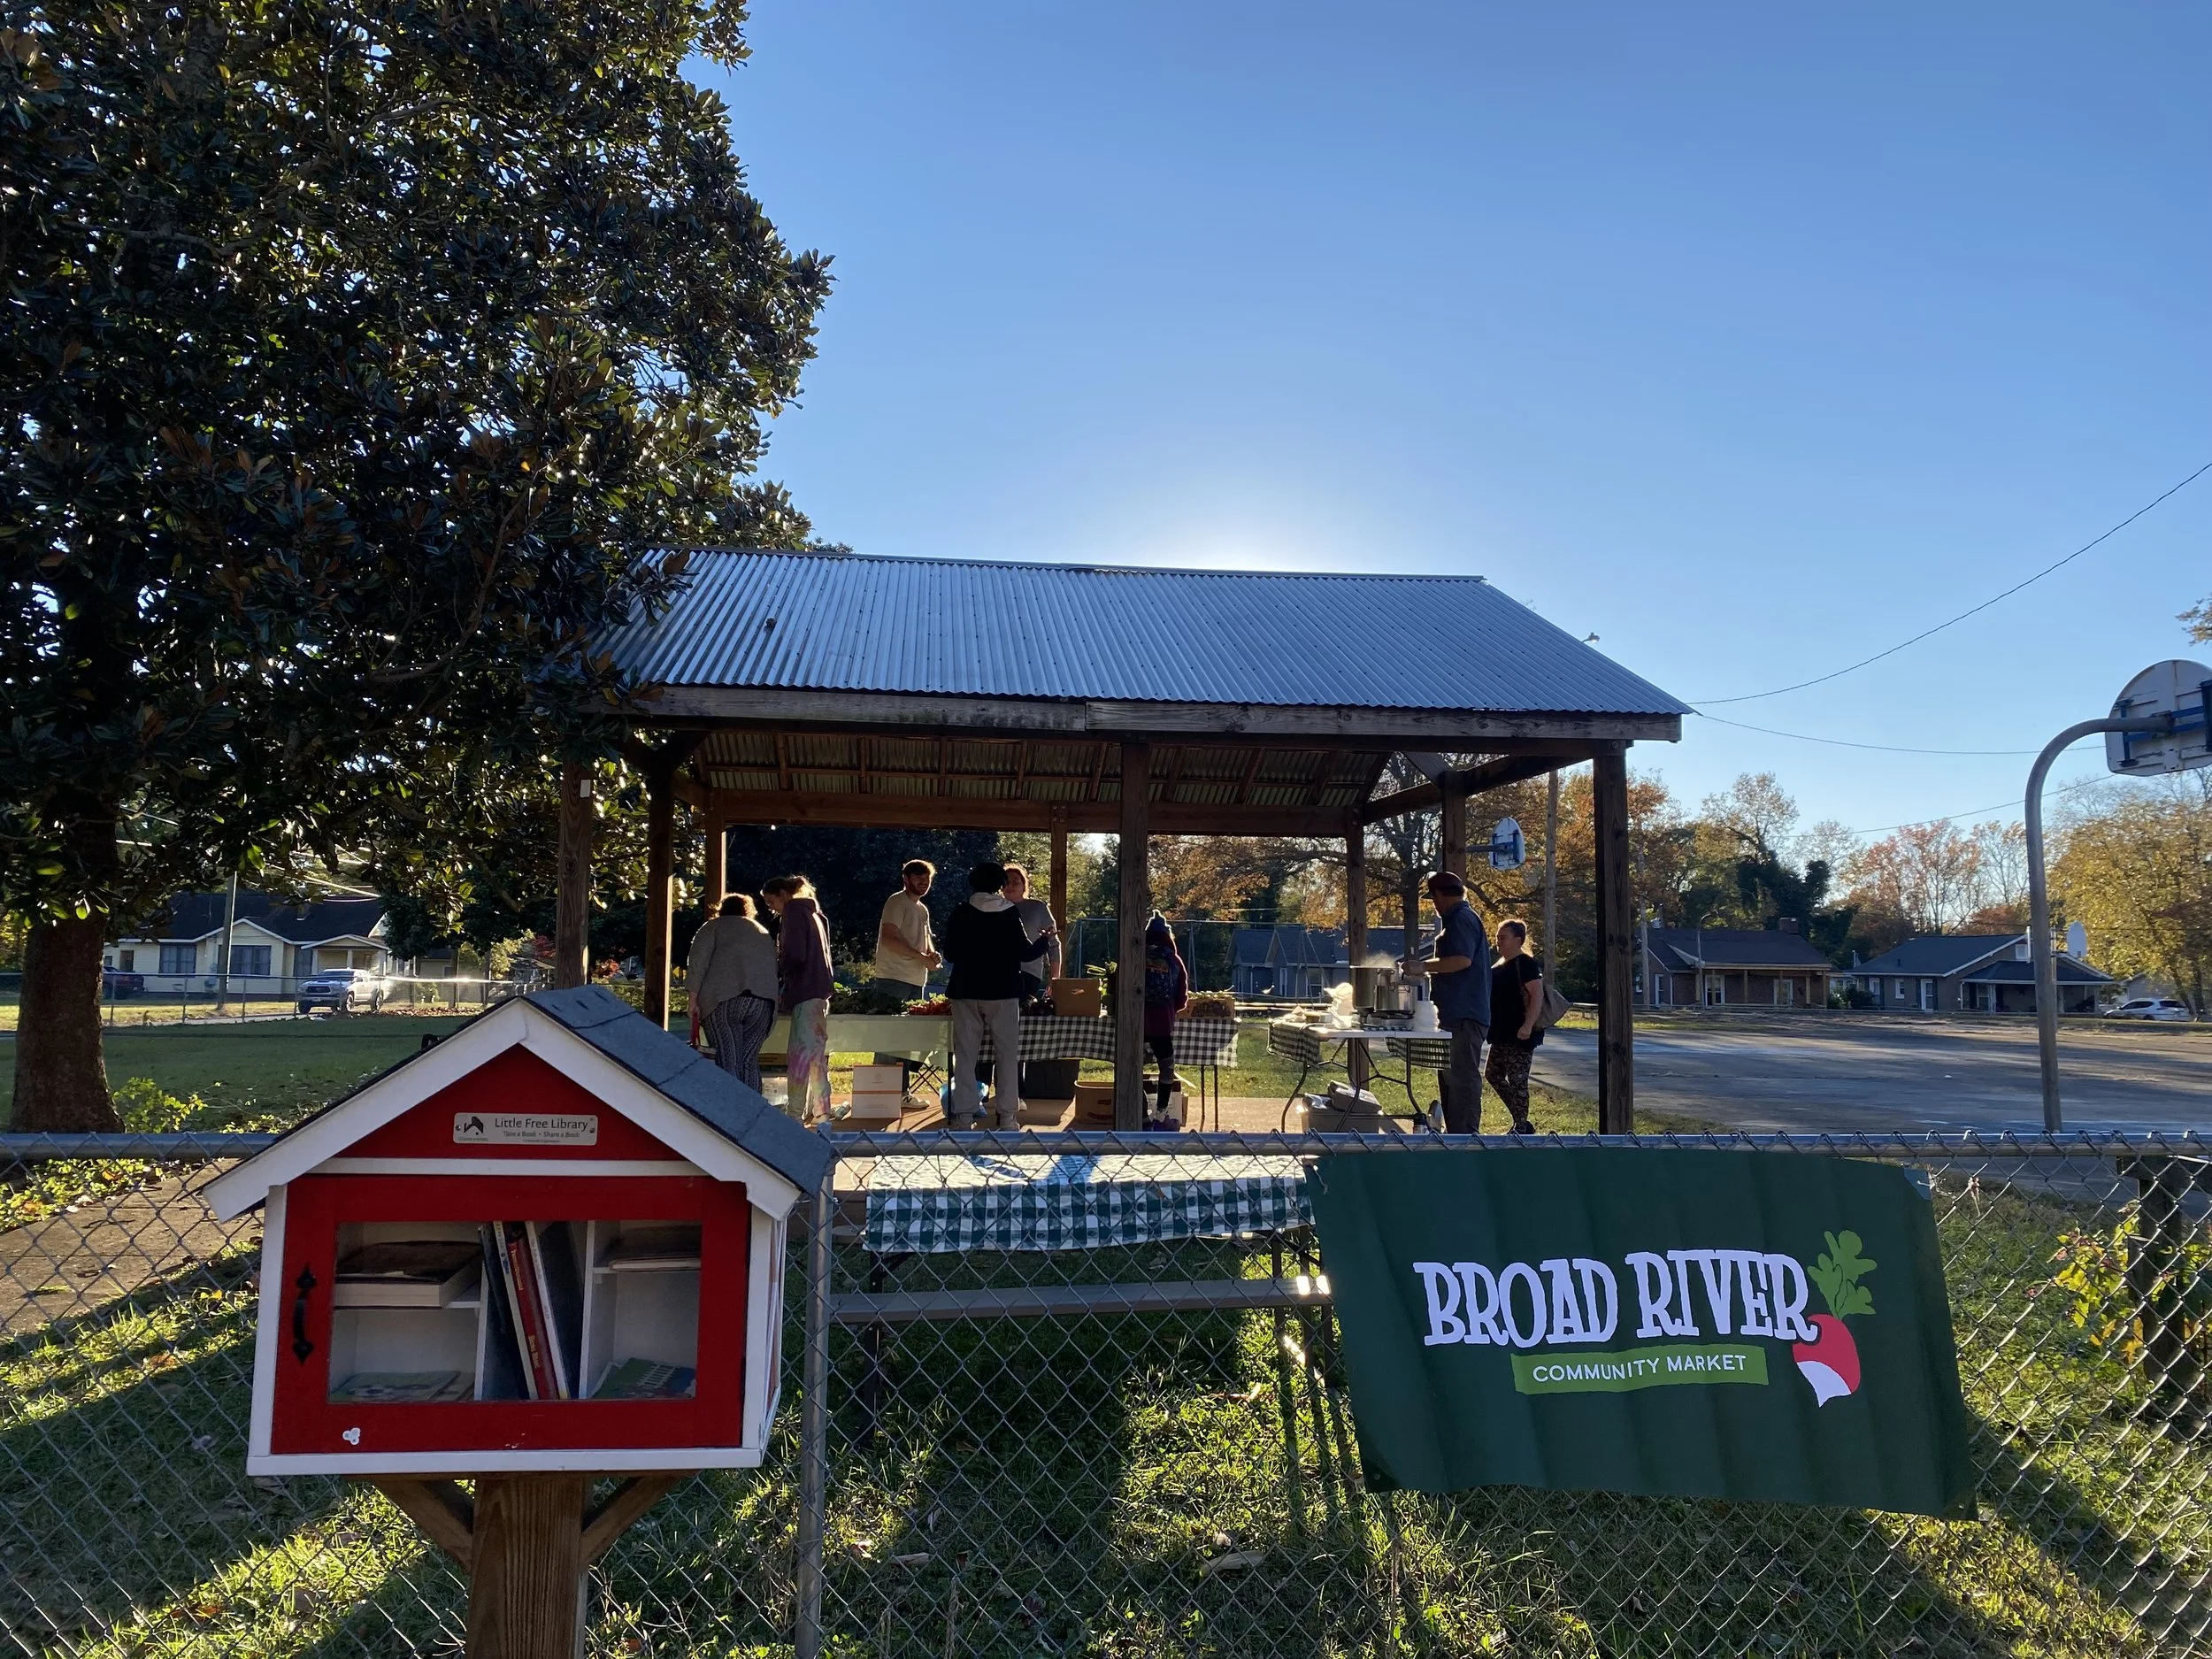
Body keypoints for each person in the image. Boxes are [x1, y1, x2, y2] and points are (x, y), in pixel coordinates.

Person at [941, 861, 1055, 1129]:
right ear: (1000, 886)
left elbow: (951, 954)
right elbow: (1025, 954)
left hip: (966, 990)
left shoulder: (961, 913)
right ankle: (1007, 1117)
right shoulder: (1008, 914)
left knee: (966, 1056)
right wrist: (1045, 939)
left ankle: (964, 1115)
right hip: (1003, 992)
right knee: (1006, 1054)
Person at [1405, 870, 1490, 1133]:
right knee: (1450, 1079)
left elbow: (1462, 960)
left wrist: (1422, 966)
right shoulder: (1458, 919)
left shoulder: (1462, 919)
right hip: (1453, 1014)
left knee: (1462, 1079)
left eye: (1434, 898)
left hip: (1464, 1015)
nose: (1435, 904)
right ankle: (1455, 1135)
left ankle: (1465, 1139)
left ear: (1442, 896)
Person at [685, 895, 780, 1090]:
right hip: (763, 1003)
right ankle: (754, 1112)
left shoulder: (712, 927)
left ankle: (730, 1115)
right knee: (748, 1062)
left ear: (721, 909)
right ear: (748, 911)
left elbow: (698, 964)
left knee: (728, 1060)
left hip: (723, 999)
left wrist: (692, 1001)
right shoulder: (761, 932)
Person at [762, 875, 833, 1125]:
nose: (772, 908)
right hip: (820, 990)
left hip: (804, 989)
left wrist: (780, 967)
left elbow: (794, 955)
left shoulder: (792, 911)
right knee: (815, 1055)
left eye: (772, 901)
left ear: (783, 894)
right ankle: (822, 1110)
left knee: (800, 1056)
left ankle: (795, 1112)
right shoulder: (815, 913)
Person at [1482, 918, 1543, 1135]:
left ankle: (1521, 1126)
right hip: (1500, 1032)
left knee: (1518, 1080)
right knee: (1493, 1075)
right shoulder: (1498, 965)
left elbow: (1537, 996)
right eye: (1497, 937)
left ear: (1518, 940)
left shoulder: (1526, 964)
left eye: (1503, 937)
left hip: (1520, 1033)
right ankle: (1521, 1121)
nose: (1498, 941)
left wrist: (1528, 1025)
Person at [1141, 914, 1190, 1129]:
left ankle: (1141, 1112)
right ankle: (1161, 1114)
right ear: (1168, 936)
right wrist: (1171, 1008)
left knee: (1130, 1068)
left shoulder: (1136, 953)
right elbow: (1182, 995)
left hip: (1137, 1020)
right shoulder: (1173, 959)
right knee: (1167, 1067)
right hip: (1162, 1021)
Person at [873, 859, 941, 1002]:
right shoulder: (897, 901)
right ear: (906, 879)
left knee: (912, 1024)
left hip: (917, 981)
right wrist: (922, 957)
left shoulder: (923, 909)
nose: (923, 882)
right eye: (918, 878)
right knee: (890, 1024)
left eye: (926, 878)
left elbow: (927, 943)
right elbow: (888, 939)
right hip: (893, 978)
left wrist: (933, 957)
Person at [1002, 863, 1062, 1005]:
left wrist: (1054, 978)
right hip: (999, 974)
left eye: (1015, 882)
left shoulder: (1038, 908)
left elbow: (1053, 944)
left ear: (1024, 885)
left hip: (1029, 973)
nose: (1010, 886)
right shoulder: (994, 908)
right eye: (1006, 882)